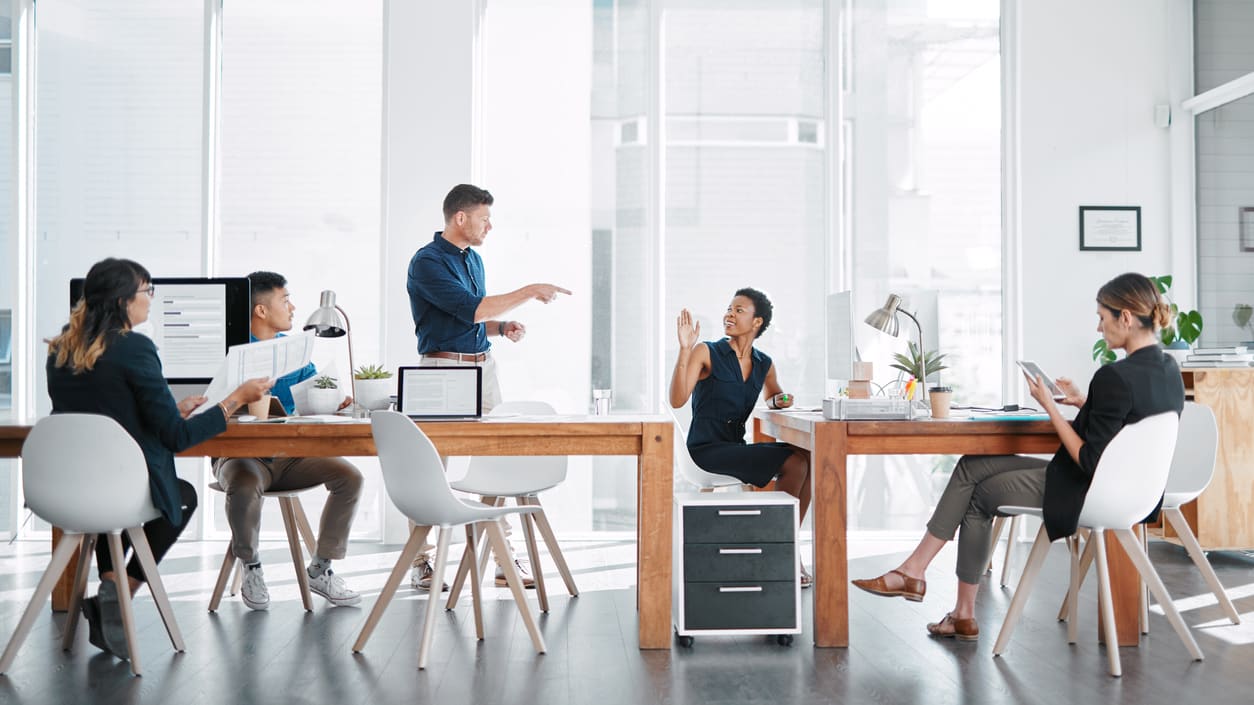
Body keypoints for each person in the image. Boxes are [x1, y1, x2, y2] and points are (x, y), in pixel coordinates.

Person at [851, 272, 1185, 640]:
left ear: (1125, 317)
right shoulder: (1169, 370)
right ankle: (928, 584)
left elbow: (1089, 459)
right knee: (972, 465)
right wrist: (1081, 403)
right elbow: (1130, 427)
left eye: (1102, 317)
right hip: (1137, 495)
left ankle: (934, 588)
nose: (1098, 327)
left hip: (1086, 491)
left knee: (976, 491)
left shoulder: (1114, 376)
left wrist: (1050, 407)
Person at [46, 257, 270, 659]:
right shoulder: (134, 347)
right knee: (182, 496)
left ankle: (111, 589)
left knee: (107, 511)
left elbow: (108, 416)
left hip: (69, 489)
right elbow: (177, 438)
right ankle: (120, 590)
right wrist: (235, 399)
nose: (151, 300)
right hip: (119, 489)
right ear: (123, 300)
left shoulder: (62, 348)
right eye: (146, 291)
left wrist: (170, 407)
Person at [405, 183, 571, 591]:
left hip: (484, 370)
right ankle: (422, 561)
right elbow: (471, 308)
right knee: (430, 467)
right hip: (442, 372)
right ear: (460, 218)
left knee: (499, 458)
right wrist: (530, 291)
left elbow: (472, 318)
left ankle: (502, 557)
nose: (489, 227)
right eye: (484, 218)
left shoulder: (473, 260)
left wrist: (500, 327)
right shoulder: (426, 262)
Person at [212, 271, 364, 610]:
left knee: (350, 477)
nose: (293, 307)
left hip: (289, 457)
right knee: (244, 481)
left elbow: (318, 391)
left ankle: (321, 569)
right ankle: (251, 566)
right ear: (261, 311)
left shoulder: (293, 354)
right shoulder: (231, 353)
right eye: (285, 299)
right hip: (240, 456)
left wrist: (337, 399)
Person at [668, 288, 814, 587]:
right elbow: (677, 399)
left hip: (735, 449)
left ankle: (783, 544)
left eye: (738, 310)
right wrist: (684, 349)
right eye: (729, 308)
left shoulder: (764, 363)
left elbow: (774, 395)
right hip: (705, 450)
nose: (729, 314)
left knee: (810, 456)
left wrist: (780, 400)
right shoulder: (705, 351)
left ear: (757, 321)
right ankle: (782, 548)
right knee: (796, 463)